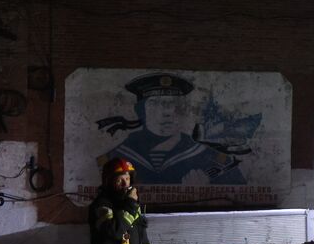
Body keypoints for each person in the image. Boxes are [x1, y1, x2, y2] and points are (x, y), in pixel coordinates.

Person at [102, 72, 246, 185]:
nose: (167, 112)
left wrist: (205, 192)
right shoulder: (117, 157)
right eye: (155, 103)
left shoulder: (211, 159)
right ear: (140, 111)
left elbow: (239, 196)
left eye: (174, 104)